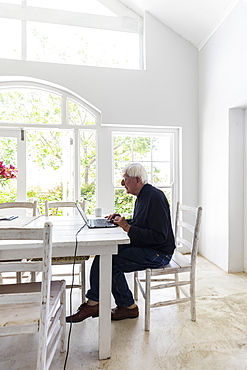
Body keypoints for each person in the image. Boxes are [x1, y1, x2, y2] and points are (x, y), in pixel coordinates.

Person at [66, 163, 176, 323]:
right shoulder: (143, 196)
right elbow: (142, 224)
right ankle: (105, 303)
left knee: (111, 261)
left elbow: (159, 236)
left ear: (137, 179)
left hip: (159, 253)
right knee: (104, 253)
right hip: (147, 246)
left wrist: (128, 227)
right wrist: (121, 221)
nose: (122, 183)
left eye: (125, 179)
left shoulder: (155, 197)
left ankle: (118, 306)